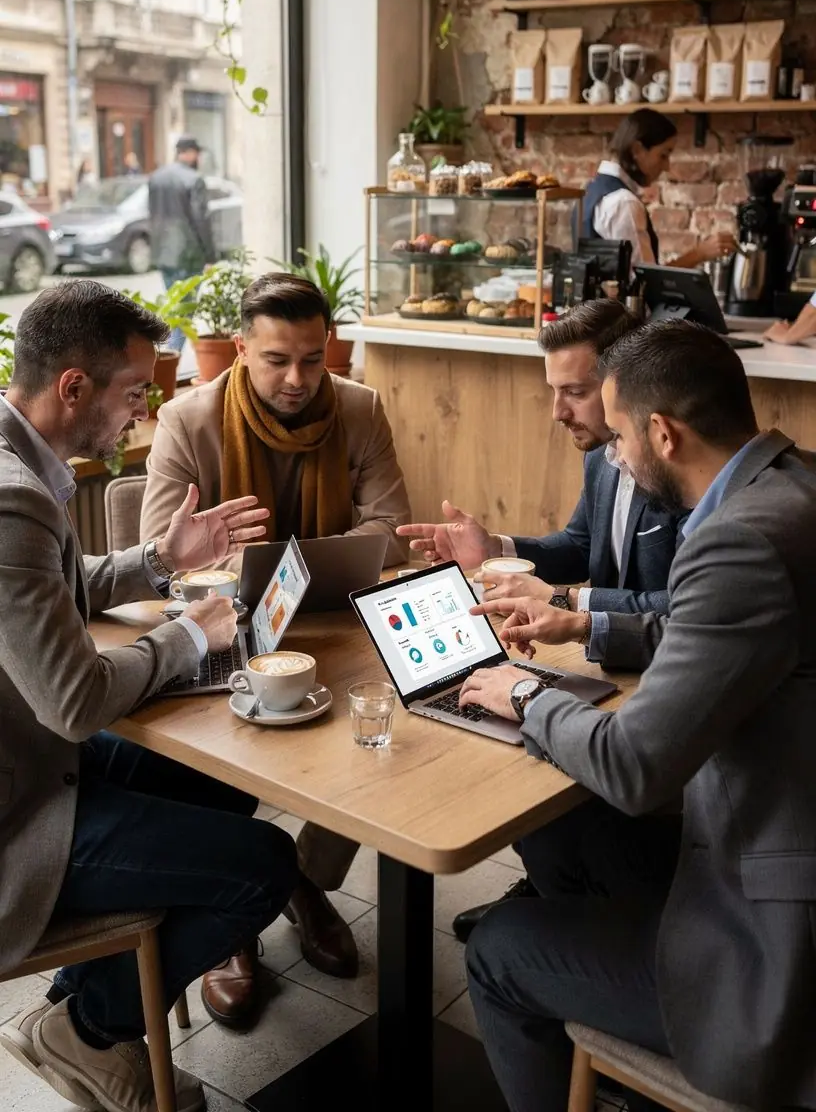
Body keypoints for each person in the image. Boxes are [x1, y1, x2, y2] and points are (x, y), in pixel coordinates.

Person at [460, 320, 816, 1112]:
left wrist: (522, 694)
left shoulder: (737, 541)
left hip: (773, 951)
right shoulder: (795, 488)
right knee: (564, 830)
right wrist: (587, 623)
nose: (612, 454)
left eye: (618, 435)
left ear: (663, 431)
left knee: (497, 951)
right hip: (770, 835)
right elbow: (723, 633)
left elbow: (632, 765)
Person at [0, 281, 298, 1112]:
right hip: (18, 814)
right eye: (136, 392)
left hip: (27, 762)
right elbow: (71, 700)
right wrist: (185, 637)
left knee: (229, 777)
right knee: (263, 868)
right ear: (72, 388)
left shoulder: (14, 457)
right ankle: (88, 1028)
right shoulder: (11, 497)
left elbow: (62, 586)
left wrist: (161, 559)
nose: (145, 408)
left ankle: (88, 989)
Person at [140, 272, 411, 1020]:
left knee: (382, 716)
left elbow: (390, 526)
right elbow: (159, 555)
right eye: (276, 360)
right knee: (213, 744)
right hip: (224, 627)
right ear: (238, 351)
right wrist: (237, 569)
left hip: (332, 619)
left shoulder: (360, 409)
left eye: (313, 360)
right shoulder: (187, 420)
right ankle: (234, 919)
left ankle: (307, 881)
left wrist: (302, 563)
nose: (297, 379)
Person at [398, 298, 685, 943]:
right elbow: (580, 546)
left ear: (624, 385)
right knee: (509, 726)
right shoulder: (603, 456)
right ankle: (557, 889)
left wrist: (570, 607)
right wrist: (493, 549)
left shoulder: (679, 470)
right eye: (553, 391)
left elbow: (692, 615)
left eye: (576, 393)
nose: (558, 412)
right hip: (616, 668)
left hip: (664, 682)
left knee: (534, 738)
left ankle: (578, 918)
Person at [583, 108, 735, 269]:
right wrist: (700, 253)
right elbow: (645, 282)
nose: (667, 166)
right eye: (663, 155)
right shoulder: (623, 202)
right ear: (637, 150)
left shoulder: (591, 190)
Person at [148, 136, 215, 353]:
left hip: (162, 253)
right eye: (197, 153)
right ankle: (171, 356)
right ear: (190, 153)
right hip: (187, 254)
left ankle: (167, 356)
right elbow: (201, 221)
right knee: (185, 310)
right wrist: (210, 256)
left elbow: (153, 214)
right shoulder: (194, 179)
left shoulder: (156, 178)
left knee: (173, 307)